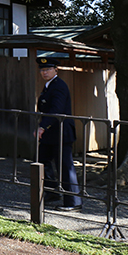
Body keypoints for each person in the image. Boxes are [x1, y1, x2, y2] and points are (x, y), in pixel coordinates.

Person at [36, 57, 82, 211]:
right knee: (43, 160)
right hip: (51, 133)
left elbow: (56, 109)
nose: (44, 72)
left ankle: (73, 201)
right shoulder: (49, 86)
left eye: (48, 69)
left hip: (61, 132)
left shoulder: (59, 86)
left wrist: (43, 126)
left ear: (56, 70)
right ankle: (51, 192)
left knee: (65, 166)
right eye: (42, 70)